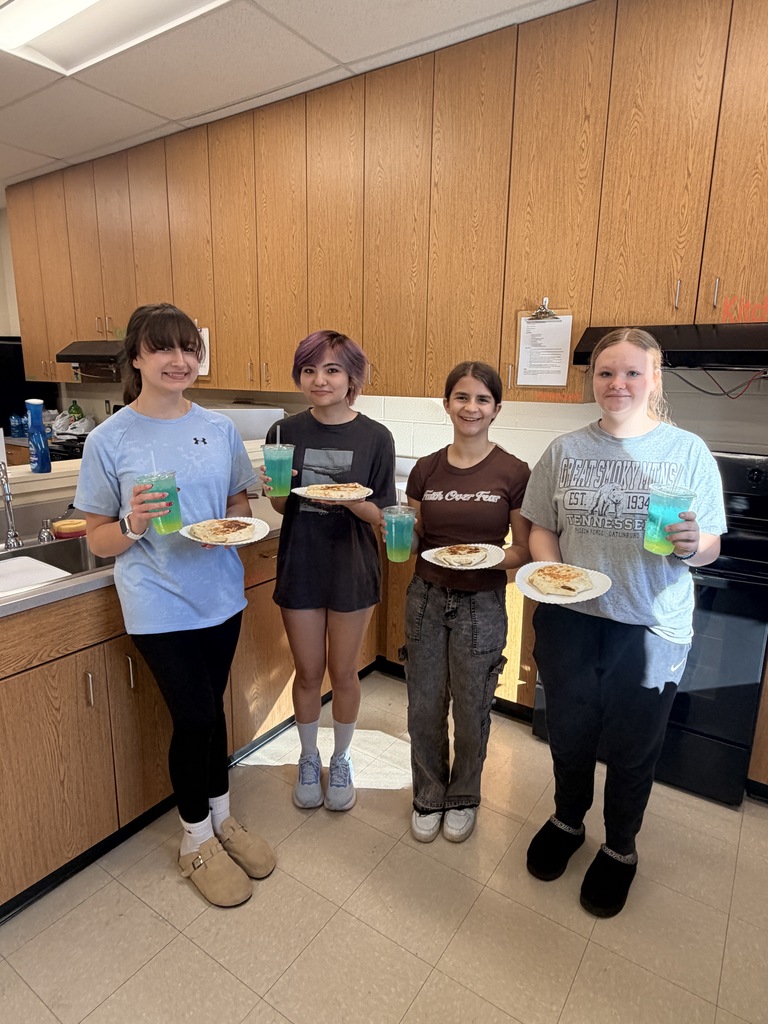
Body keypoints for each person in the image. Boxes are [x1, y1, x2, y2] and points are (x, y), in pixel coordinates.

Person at [75, 303, 275, 909]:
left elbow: (239, 505)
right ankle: (194, 841)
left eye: (190, 349)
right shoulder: (109, 439)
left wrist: (237, 527)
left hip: (220, 593)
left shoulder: (217, 429)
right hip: (158, 601)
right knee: (192, 718)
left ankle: (221, 817)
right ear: (136, 356)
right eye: (164, 348)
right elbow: (98, 537)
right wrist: (134, 521)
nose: (180, 360)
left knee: (213, 711)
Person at [521, 327, 726, 917]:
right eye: (607, 372)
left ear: (654, 379)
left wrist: (693, 543)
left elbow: (708, 543)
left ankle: (620, 848)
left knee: (635, 748)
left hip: (651, 626)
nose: (618, 383)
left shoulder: (687, 452)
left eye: (633, 372)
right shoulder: (564, 450)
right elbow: (541, 524)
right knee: (570, 733)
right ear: (593, 380)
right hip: (572, 619)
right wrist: (550, 569)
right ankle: (566, 820)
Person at [262, 330, 396, 812]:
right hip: (301, 564)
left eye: (332, 369)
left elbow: (384, 516)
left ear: (352, 377)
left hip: (352, 568)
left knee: (342, 672)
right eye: (309, 369)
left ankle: (340, 758)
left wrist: (355, 499)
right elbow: (281, 504)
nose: (320, 379)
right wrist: (273, 488)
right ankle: (306, 756)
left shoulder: (376, 437)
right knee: (307, 671)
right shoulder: (284, 432)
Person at [400, 361, 531, 843]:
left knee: (472, 706)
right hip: (426, 597)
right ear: (446, 403)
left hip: (482, 603)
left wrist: (485, 560)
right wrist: (393, 529)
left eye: (481, 399)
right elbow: (414, 540)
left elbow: (521, 551)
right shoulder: (425, 469)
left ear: (496, 408)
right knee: (423, 704)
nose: (470, 407)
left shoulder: (514, 472)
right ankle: (429, 793)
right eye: (461, 397)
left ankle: (463, 795)